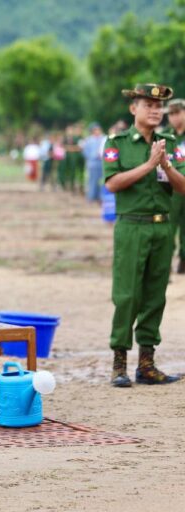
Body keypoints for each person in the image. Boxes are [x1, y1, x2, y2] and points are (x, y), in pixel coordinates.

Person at [104, 83, 185, 388]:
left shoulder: (169, 142)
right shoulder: (117, 142)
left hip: (162, 226)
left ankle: (147, 363)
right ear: (133, 108)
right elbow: (112, 183)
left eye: (158, 105)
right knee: (127, 295)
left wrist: (165, 164)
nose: (154, 110)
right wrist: (148, 165)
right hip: (131, 225)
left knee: (155, 295)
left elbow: (182, 186)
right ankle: (119, 363)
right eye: (147, 104)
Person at [164, 98, 185, 274]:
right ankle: (165, 262)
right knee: (168, 226)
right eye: (170, 114)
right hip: (172, 189)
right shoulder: (166, 136)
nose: (174, 117)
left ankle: (184, 261)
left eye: (177, 112)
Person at [82, 122, 105, 203]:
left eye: (98, 129)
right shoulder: (89, 140)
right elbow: (85, 152)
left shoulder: (104, 138)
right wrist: (92, 157)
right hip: (92, 163)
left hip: (102, 162)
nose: (97, 131)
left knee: (102, 180)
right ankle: (91, 197)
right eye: (95, 130)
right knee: (92, 180)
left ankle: (101, 197)